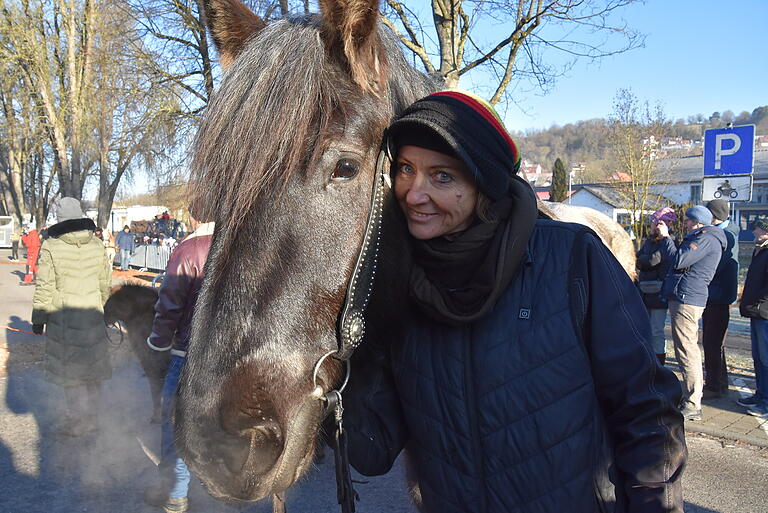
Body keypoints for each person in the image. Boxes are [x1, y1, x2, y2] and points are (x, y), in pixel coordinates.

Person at [345, 91, 686, 513]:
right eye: (405, 170)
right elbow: (370, 451)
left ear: (483, 180)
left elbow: (646, 409)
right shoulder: (395, 283)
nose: (413, 194)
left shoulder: (571, 258)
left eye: (442, 176)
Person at [143, 207, 214, 513]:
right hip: (230, 355)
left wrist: (156, 342)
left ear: (194, 216)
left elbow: (169, 305)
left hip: (188, 353)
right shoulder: (239, 244)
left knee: (175, 425)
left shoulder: (189, 249)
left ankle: (174, 492)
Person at [31, 197, 111, 437]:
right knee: (93, 370)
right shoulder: (97, 245)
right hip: (93, 317)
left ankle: (77, 421)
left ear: (60, 218)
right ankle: (93, 419)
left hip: (64, 321)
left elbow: (45, 285)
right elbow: (105, 283)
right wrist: (103, 309)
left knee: (71, 373)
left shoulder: (51, 246)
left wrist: (38, 319)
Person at [661, 205, 726, 421]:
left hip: (687, 299)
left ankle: (692, 403)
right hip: (686, 297)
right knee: (686, 349)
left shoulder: (706, 238)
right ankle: (691, 398)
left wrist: (666, 239)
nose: (686, 224)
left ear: (698, 222)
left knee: (687, 350)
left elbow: (679, 260)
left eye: (689, 221)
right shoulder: (704, 236)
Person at [702, 199, 740, 399]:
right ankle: (719, 382)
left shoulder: (726, 236)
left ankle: (714, 385)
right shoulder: (727, 231)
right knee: (715, 341)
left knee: (712, 342)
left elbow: (715, 265)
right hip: (717, 294)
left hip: (718, 295)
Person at [636, 207, 678, 365]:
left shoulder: (669, 242)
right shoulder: (649, 240)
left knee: (656, 330)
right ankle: (648, 359)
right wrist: (644, 260)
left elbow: (654, 260)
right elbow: (639, 258)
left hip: (659, 292)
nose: (653, 225)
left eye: (656, 222)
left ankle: (659, 362)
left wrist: (645, 260)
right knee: (645, 328)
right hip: (645, 290)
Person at [737, 218, 768, 417]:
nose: (755, 232)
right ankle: (761, 394)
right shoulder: (762, 250)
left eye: (759, 229)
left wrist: (760, 303)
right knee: (758, 357)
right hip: (757, 312)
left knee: (766, 359)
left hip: (764, 313)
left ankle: (766, 402)